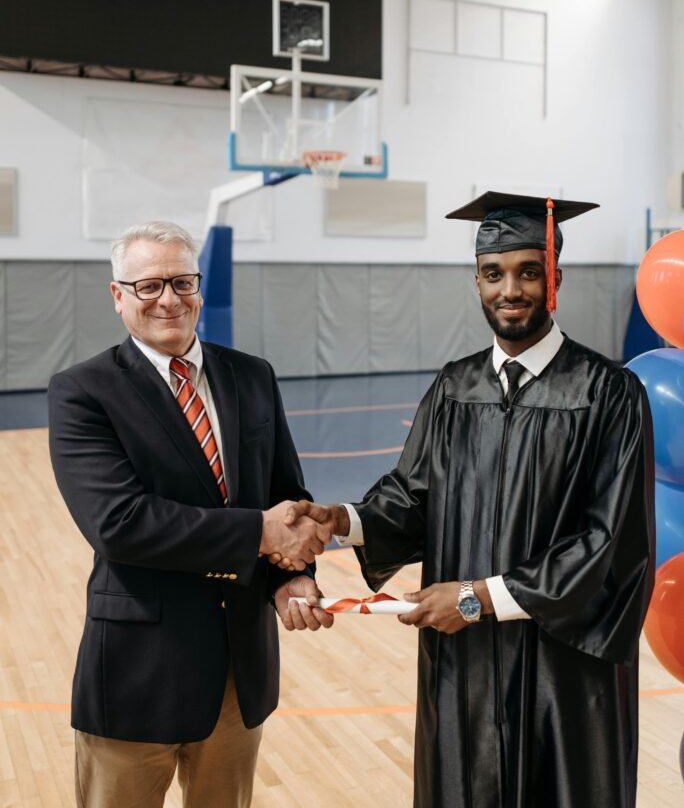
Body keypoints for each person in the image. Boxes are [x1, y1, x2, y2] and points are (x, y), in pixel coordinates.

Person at [280, 192, 655, 808]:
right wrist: (339, 521)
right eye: (493, 273)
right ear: (476, 281)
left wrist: (478, 599)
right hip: (467, 671)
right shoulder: (456, 387)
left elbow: (610, 544)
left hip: (562, 675)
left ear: (555, 278)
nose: (510, 289)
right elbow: (412, 498)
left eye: (528, 271)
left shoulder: (609, 393)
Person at [48, 220, 334, 808]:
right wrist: (259, 532)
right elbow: (120, 524)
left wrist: (292, 575)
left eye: (183, 281)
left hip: (239, 665)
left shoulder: (252, 376)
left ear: (200, 288)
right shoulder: (83, 391)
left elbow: (285, 493)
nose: (170, 299)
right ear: (118, 296)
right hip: (138, 669)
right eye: (150, 285)